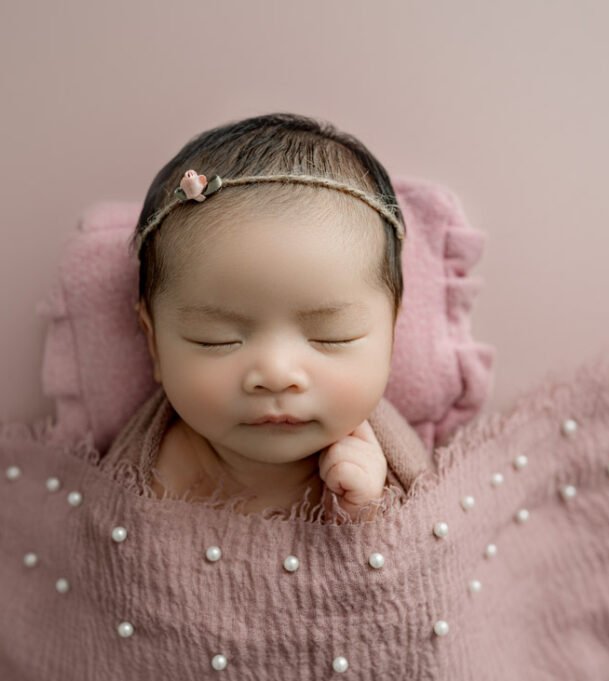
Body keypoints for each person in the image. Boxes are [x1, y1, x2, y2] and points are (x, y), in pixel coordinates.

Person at [122, 112, 412, 523]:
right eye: (216, 339)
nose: (276, 375)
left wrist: (364, 515)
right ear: (153, 343)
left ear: (392, 336)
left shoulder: (380, 471)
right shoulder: (155, 475)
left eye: (333, 336)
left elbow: (418, 570)